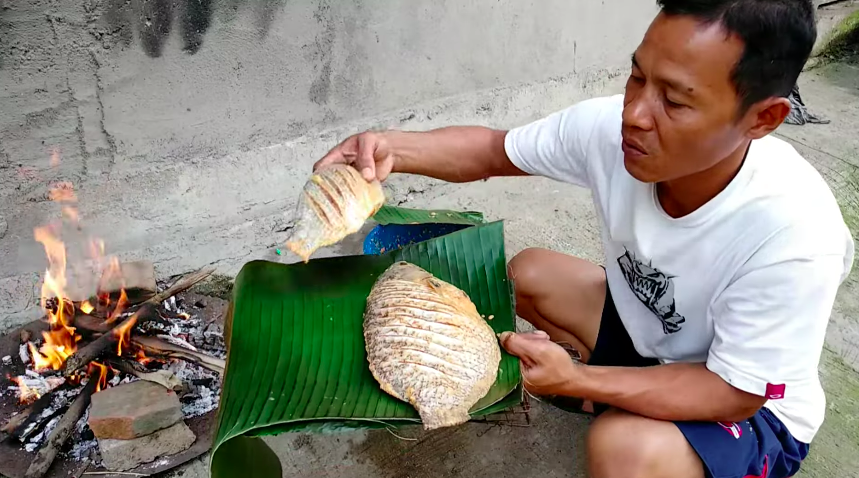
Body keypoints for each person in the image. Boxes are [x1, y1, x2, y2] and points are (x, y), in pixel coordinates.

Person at [313, 1, 855, 477]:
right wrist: (387, 148)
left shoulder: (796, 234)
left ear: (764, 118)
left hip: (750, 408)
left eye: (676, 101)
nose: (635, 114)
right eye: (637, 77)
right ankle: (620, 394)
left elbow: (735, 393)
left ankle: (646, 428)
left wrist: (581, 381)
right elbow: (493, 151)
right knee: (529, 274)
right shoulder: (614, 133)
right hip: (651, 343)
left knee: (624, 449)